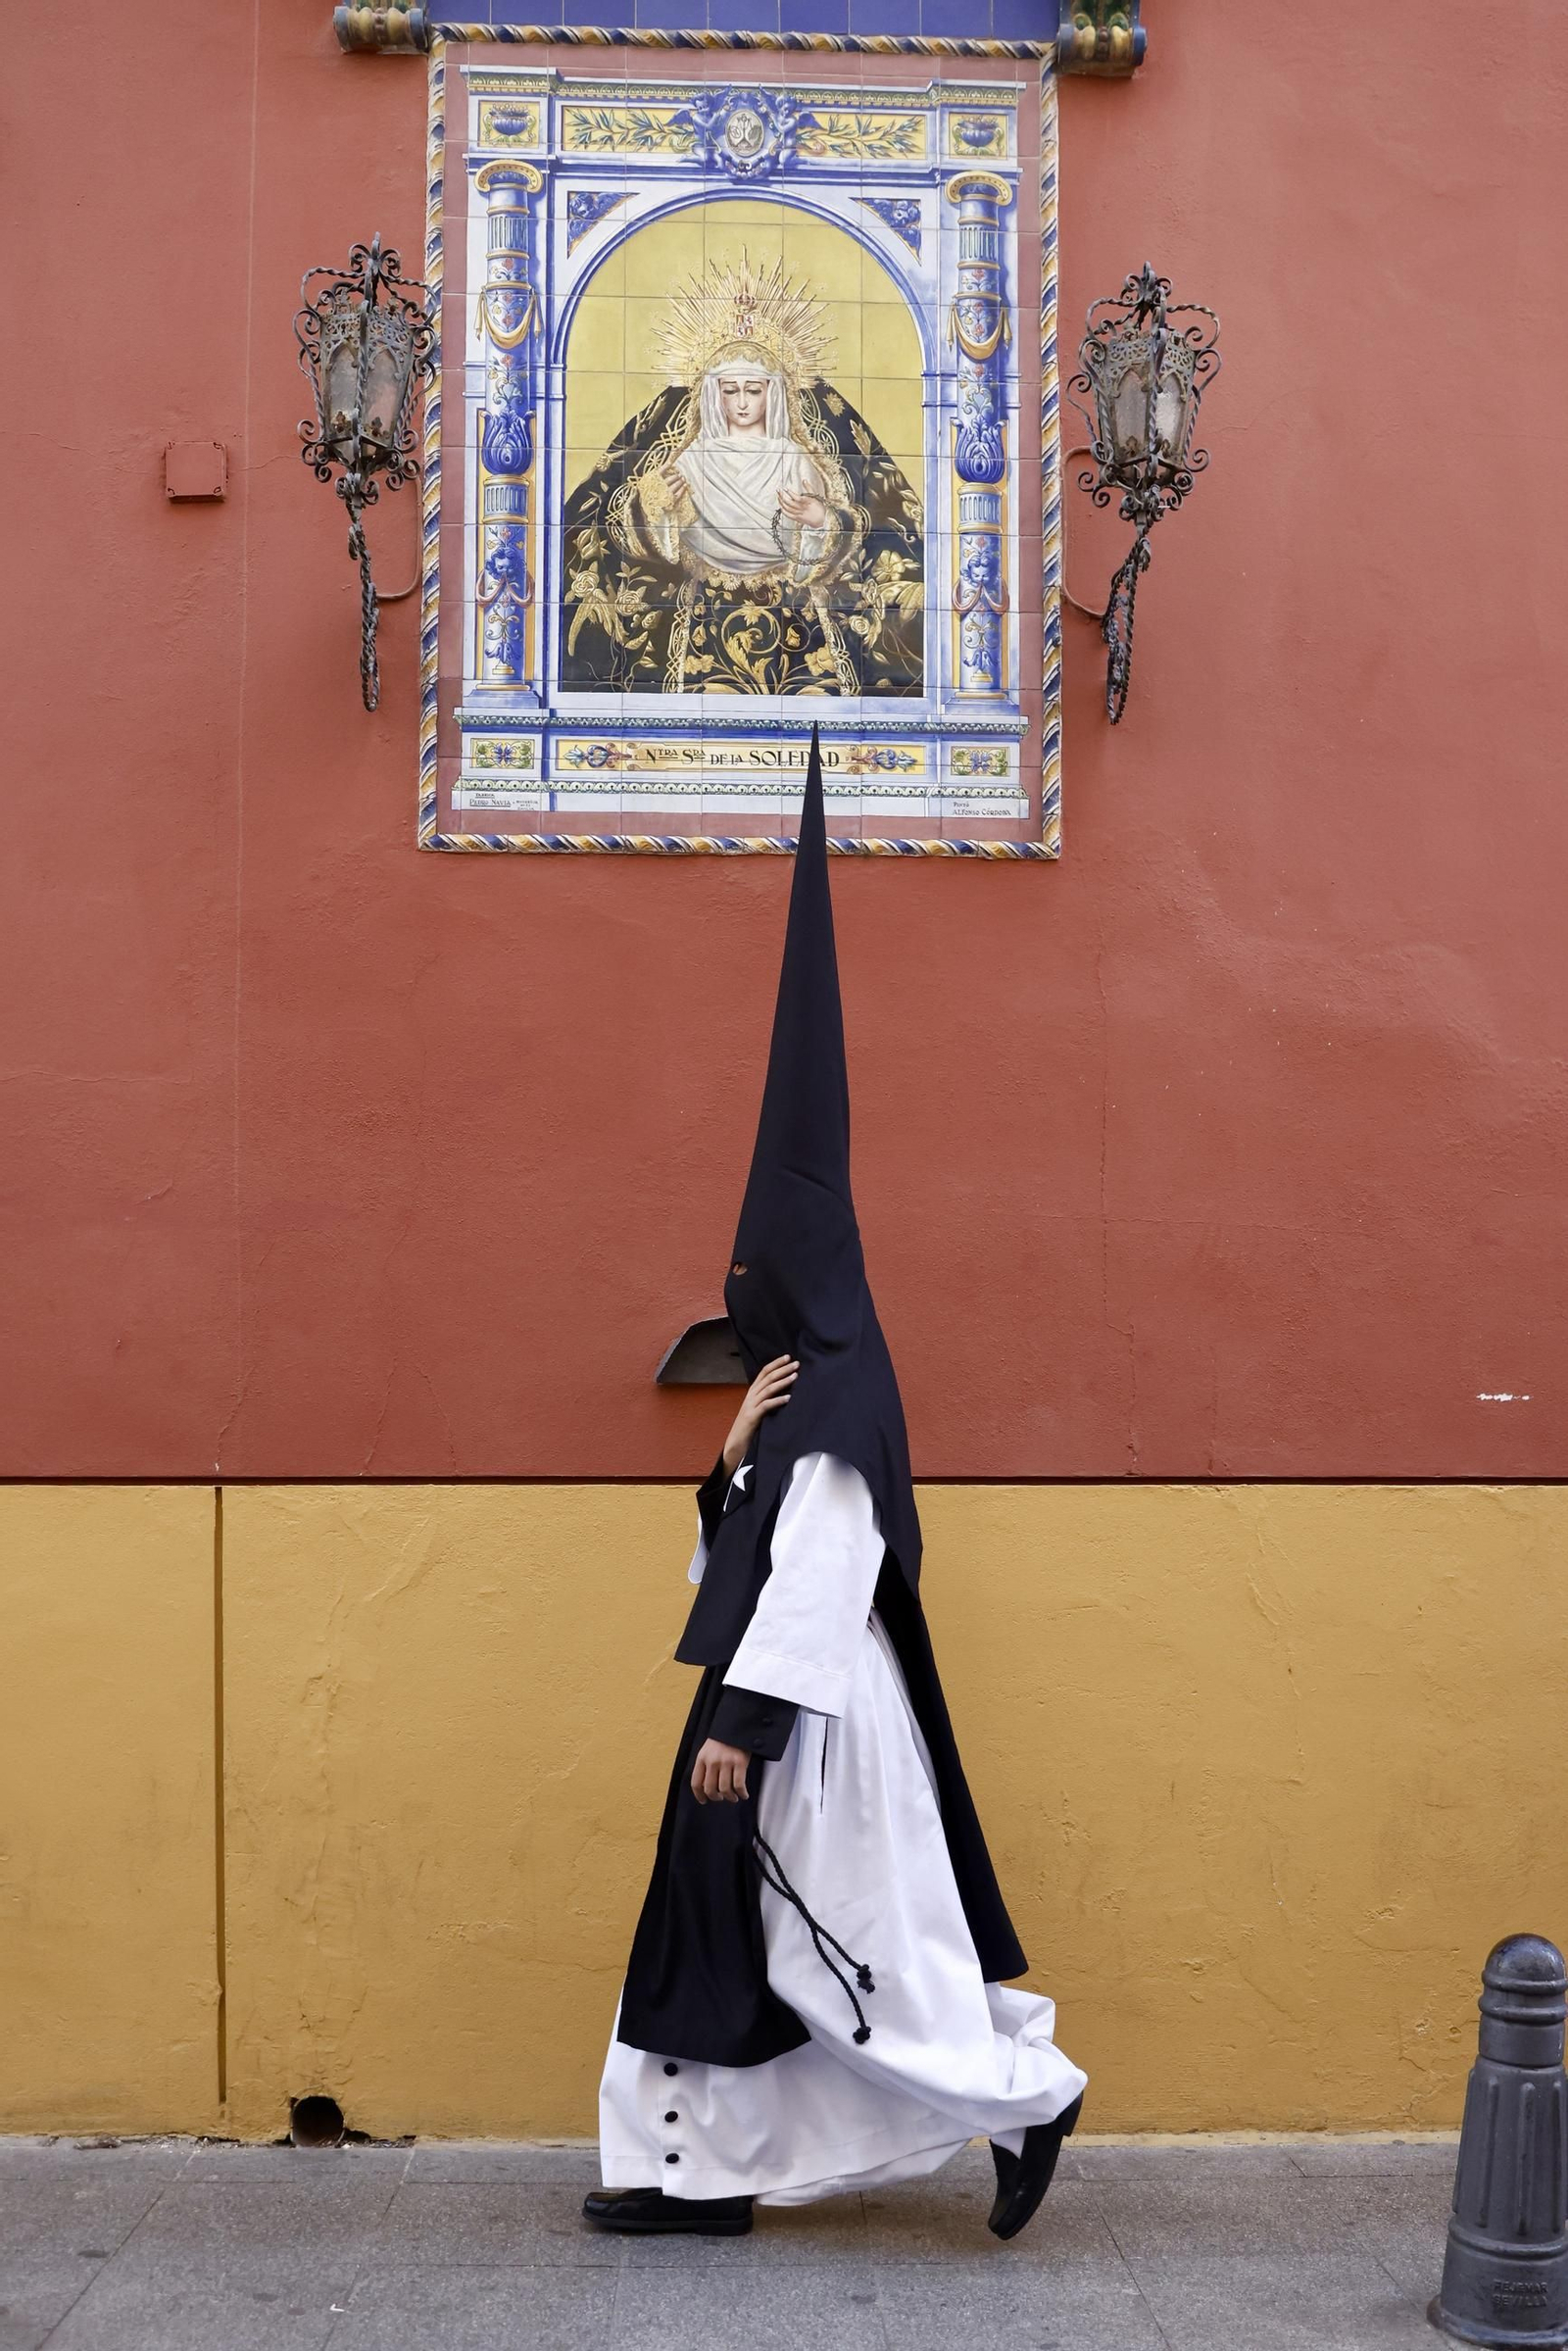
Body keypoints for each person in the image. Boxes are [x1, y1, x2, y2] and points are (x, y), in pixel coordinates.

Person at [585, 732, 1085, 2240]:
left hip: (805, 1718)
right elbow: (738, 1560)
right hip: (779, 1696)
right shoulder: (797, 1400)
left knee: (836, 1947)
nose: (748, 1301)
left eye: (759, 1278)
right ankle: (699, 2173)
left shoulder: (841, 1396)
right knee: (736, 1937)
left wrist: (743, 1723)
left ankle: (1028, 2095)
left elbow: (817, 1572)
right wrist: (729, 1453)